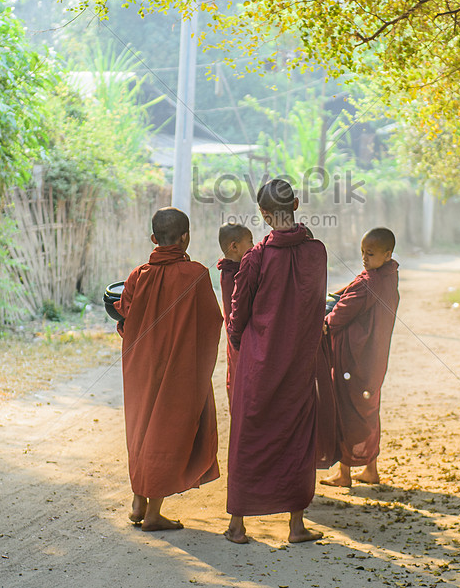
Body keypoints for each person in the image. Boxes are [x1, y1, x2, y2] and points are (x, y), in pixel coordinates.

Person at [224, 179, 327, 545]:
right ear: (296, 204)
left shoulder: (255, 258)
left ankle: (237, 523)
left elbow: (239, 311)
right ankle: (296, 525)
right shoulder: (317, 252)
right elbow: (315, 304)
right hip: (299, 359)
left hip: (259, 360)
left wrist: (239, 343)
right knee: (296, 435)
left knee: (249, 435)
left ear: (264, 216)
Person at [113, 207, 223, 531]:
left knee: (140, 429)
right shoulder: (197, 275)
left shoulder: (137, 275)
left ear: (153, 239)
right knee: (166, 432)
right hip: (178, 368)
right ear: (186, 237)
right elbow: (211, 323)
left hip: (139, 366)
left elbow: (125, 318)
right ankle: (152, 514)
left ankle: (138, 500)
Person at [320, 228, 401, 488]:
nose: (365, 258)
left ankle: (344, 474)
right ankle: (370, 469)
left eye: (371, 254)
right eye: (363, 253)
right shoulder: (389, 276)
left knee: (348, 412)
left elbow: (339, 315)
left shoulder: (369, 283)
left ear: (387, 254)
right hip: (374, 360)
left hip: (354, 360)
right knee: (369, 410)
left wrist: (324, 318)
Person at [217, 222, 253, 409]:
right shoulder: (232, 274)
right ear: (235, 247)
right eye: (250, 241)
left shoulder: (232, 270)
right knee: (242, 380)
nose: (253, 246)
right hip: (239, 337)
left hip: (238, 337)